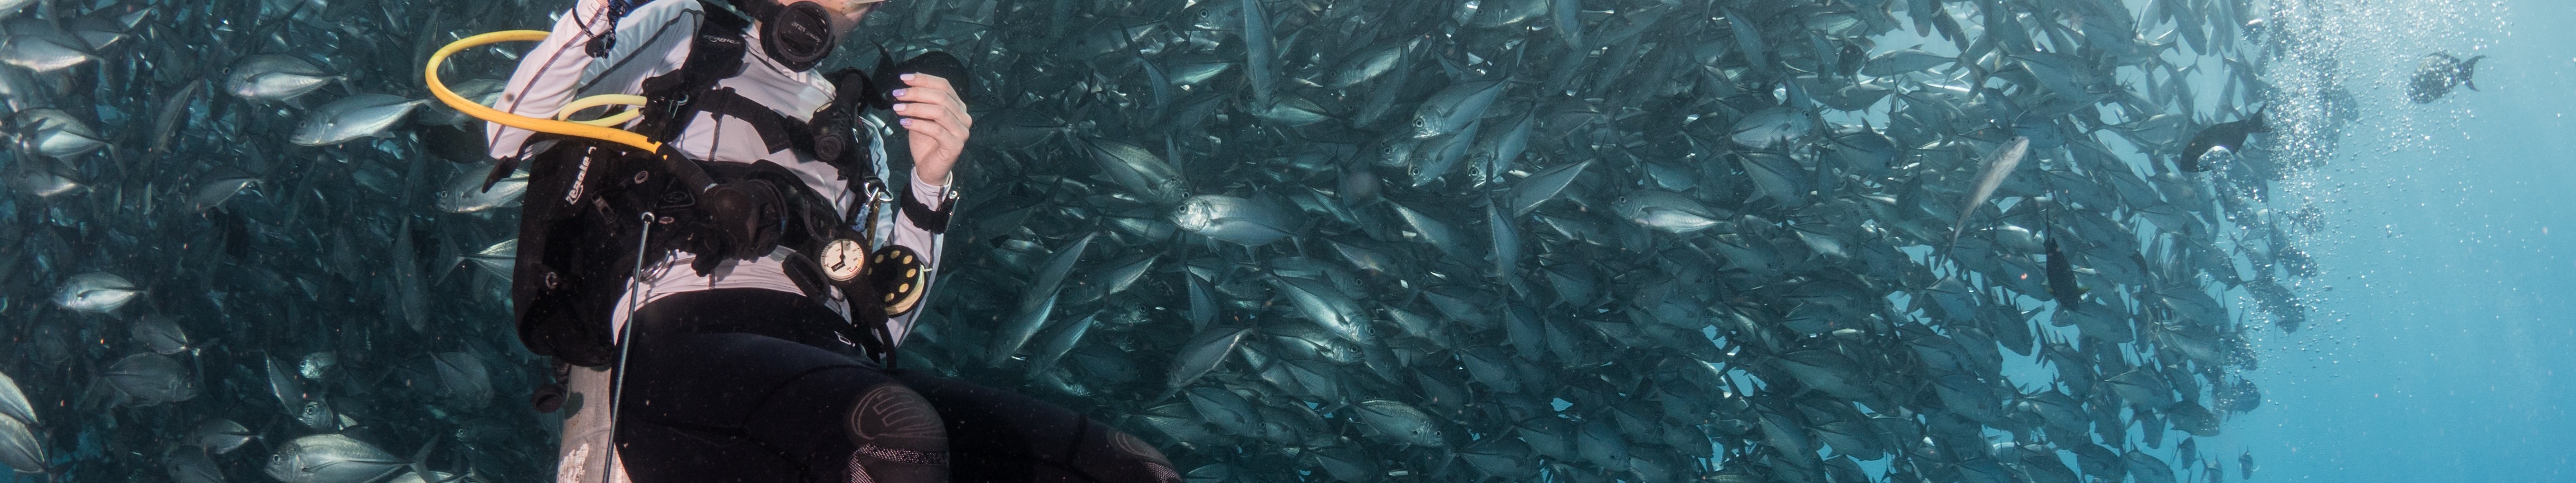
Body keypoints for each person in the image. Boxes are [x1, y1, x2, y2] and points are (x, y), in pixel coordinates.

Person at [472, 0, 1179, 481]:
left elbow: (883, 329)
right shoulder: (686, 33)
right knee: (894, 434)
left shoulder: (859, 133)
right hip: (678, 342)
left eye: (858, 7)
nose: (832, 17)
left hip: (829, 357)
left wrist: (931, 185)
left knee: (1128, 465)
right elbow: (507, 134)